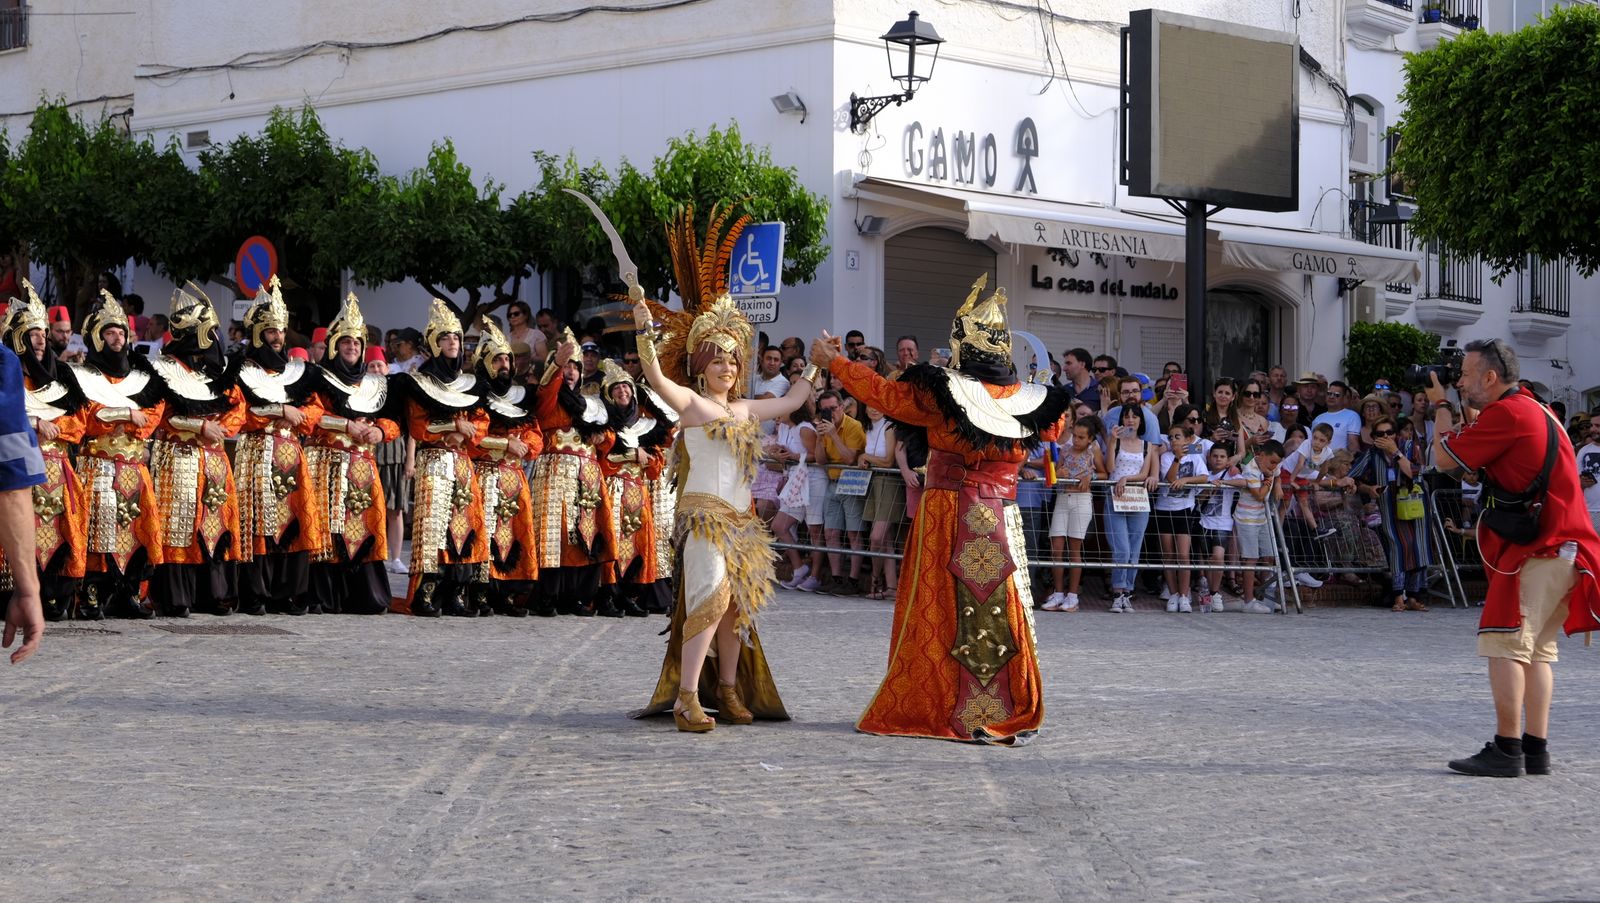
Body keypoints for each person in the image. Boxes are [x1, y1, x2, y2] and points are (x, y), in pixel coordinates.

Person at [822, 274, 1071, 743]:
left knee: (942, 610)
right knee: (1002, 607)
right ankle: (1007, 703)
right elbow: (1055, 426)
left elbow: (885, 396)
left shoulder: (945, 394)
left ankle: (950, 707)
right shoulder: (1032, 402)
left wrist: (836, 362)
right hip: (1001, 513)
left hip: (950, 514)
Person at [633, 209, 813, 733]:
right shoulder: (691, 403)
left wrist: (820, 362)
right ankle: (688, 697)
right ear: (699, 364)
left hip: (742, 524)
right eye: (717, 360)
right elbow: (653, 376)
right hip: (704, 521)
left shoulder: (749, 409)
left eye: (733, 361)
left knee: (738, 611)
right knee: (708, 601)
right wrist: (646, 333)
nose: (726, 367)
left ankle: (729, 692)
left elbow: (798, 397)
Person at [1427, 339, 1600, 776]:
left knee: (1504, 644)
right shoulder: (1536, 409)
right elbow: (1481, 460)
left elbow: (1445, 459)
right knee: (1538, 652)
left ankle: (1507, 750)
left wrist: (1440, 407)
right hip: (1565, 547)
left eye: (1464, 375)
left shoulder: (1507, 413)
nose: (1458, 381)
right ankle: (1535, 749)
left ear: (1490, 377)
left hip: (1536, 551)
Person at [147, 283, 247, 618]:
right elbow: (160, 416)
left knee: (216, 524)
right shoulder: (163, 368)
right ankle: (178, 596)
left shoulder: (218, 371)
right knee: (179, 524)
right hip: (178, 456)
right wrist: (199, 427)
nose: (216, 338)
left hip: (215, 459)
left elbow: (237, 407)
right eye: (210, 331)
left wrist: (222, 428)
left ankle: (215, 592)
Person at [232, 277, 325, 616]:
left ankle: (289, 591)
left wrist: (298, 416)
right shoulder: (242, 369)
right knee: (259, 523)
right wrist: (277, 411)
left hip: (291, 452)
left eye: (281, 330)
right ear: (258, 332)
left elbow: (316, 406)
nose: (278, 336)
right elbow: (240, 412)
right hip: (257, 452)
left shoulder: (297, 370)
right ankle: (256, 592)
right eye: (271, 330)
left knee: (292, 521)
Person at [393, 299, 489, 617]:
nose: (452, 342)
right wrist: (453, 426)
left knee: (464, 527)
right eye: (446, 337)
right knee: (433, 528)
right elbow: (419, 425)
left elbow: (480, 421)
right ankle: (426, 593)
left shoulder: (468, 382)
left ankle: (456, 594)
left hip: (461, 462)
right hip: (434, 461)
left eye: (457, 337)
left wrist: (464, 430)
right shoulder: (422, 380)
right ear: (435, 342)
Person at [304, 293, 398, 616]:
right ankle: (327, 596)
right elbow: (313, 417)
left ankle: (366, 596)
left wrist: (380, 431)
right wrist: (347, 426)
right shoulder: (319, 378)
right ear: (334, 345)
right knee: (331, 530)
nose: (352, 348)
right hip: (329, 465)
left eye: (357, 343)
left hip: (363, 466)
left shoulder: (373, 383)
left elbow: (393, 420)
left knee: (366, 528)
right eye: (346, 342)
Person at [2, 282, 87, 622]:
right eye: (31, 334)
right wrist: (34, 423)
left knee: (59, 535)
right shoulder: (8, 378)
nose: (40, 340)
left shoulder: (62, 376)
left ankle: (51, 596)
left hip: (57, 470)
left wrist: (55, 428)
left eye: (43, 333)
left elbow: (79, 424)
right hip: (21, 470)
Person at [529, 328, 615, 617]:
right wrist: (554, 366)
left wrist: (604, 438)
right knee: (555, 536)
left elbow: (609, 429)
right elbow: (544, 396)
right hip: (553, 472)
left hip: (587, 475)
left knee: (586, 534)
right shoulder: (550, 398)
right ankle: (548, 597)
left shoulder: (591, 402)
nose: (570, 372)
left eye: (574, 368)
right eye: (566, 367)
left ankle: (579, 597)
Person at [466, 316, 542, 617]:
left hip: (514, 476)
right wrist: (505, 444)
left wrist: (525, 444)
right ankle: (482, 592)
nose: (504, 365)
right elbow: (473, 437)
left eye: (507, 360)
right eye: (497, 360)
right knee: (487, 533)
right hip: (486, 473)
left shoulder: (521, 394)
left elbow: (534, 434)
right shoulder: (474, 393)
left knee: (513, 534)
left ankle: (509, 593)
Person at [598, 358, 672, 619]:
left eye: (626, 387)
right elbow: (603, 460)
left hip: (637, 491)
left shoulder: (645, 426)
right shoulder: (604, 425)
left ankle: (630, 595)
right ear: (609, 394)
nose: (622, 392)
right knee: (614, 542)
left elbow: (654, 465)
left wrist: (646, 457)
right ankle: (609, 596)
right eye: (616, 389)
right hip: (613, 488)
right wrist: (632, 455)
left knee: (638, 543)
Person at [1357, 415, 1431, 612]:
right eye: (1380, 434)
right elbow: (1354, 478)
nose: (1386, 436)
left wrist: (1395, 452)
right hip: (1389, 506)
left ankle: (1414, 596)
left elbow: (1415, 473)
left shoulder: (1408, 447)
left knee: (1418, 548)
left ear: (1396, 434)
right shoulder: (1372, 453)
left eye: (1389, 432)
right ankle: (1398, 597)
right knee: (1397, 548)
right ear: (1374, 436)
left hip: (1414, 503)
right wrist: (1369, 488)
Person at [1042, 417, 1105, 612]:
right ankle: (1058, 593)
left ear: (1090, 438)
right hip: (1062, 498)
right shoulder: (1065, 450)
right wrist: (1059, 472)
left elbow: (1105, 473)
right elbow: (1054, 472)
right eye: (1075, 436)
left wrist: (1090, 476)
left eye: (1081, 437)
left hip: (1081, 500)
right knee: (1057, 548)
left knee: (1074, 549)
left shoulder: (1092, 452)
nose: (1076, 440)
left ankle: (1073, 595)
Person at [1105, 403, 1159, 612]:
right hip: (1115, 496)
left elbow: (1145, 473)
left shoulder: (1147, 445)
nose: (1130, 420)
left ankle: (1128, 590)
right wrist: (1112, 441)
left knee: (1135, 547)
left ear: (1140, 420)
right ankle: (1117, 591)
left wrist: (1127, 478)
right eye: (1126, 416)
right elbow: (1110, 468)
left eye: (1134, 416)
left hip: (1137, 497)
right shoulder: (1116, 442)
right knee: (1121, 547)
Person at [1154, 422, 1210, 613]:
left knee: (1183, 555)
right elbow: (1169, 479)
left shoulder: (1195, 457)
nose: (1173, 440)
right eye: (1170, 437)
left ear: (1187, 439)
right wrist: (1177, 460)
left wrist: (1186, 479)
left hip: (1184, 508)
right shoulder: (1166, 457)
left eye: (1177, 437)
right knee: (1168, 555)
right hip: (1164, 509)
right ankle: (1173, 593)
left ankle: (1185, 595)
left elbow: (1204, 477)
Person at [816, 389, 867, 595]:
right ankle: (836, 577)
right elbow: (820, 461)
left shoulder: (854, 426)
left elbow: (849, 459)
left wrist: (833, 435)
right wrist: (820, 438)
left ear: (842, 407)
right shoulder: (823, 428)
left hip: (851, 479)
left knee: (854, 533)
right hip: (832, 480)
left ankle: (853, 581)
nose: (830, 413)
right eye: (825, 410)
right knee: (831, 532)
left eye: (833, 409)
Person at [859, 403, 902, 601]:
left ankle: (875, 579)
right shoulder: (868, 427)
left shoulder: (889, 426)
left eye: (879, 405)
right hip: (874, 479)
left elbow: (888, 460)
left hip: (889, 480)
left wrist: (866, 456)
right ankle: (891, 586)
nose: (874, 409)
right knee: (885, 540)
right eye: (870, 405)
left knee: (877, 537)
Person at [1236, 440, 1284, 613]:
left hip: (1262, 517)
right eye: (1272, 462)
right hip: (1247, 518)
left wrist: (1277, 485)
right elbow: (1259, 495)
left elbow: (1278, 473)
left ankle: (1267, 597)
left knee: (1269, 555)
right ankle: (1249, 601)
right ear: (1261, 455)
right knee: (1251, 558)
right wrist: (1269, 480)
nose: (1274, 466)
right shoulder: (1250, 469)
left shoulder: (1271, 466)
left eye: (1277, 463)